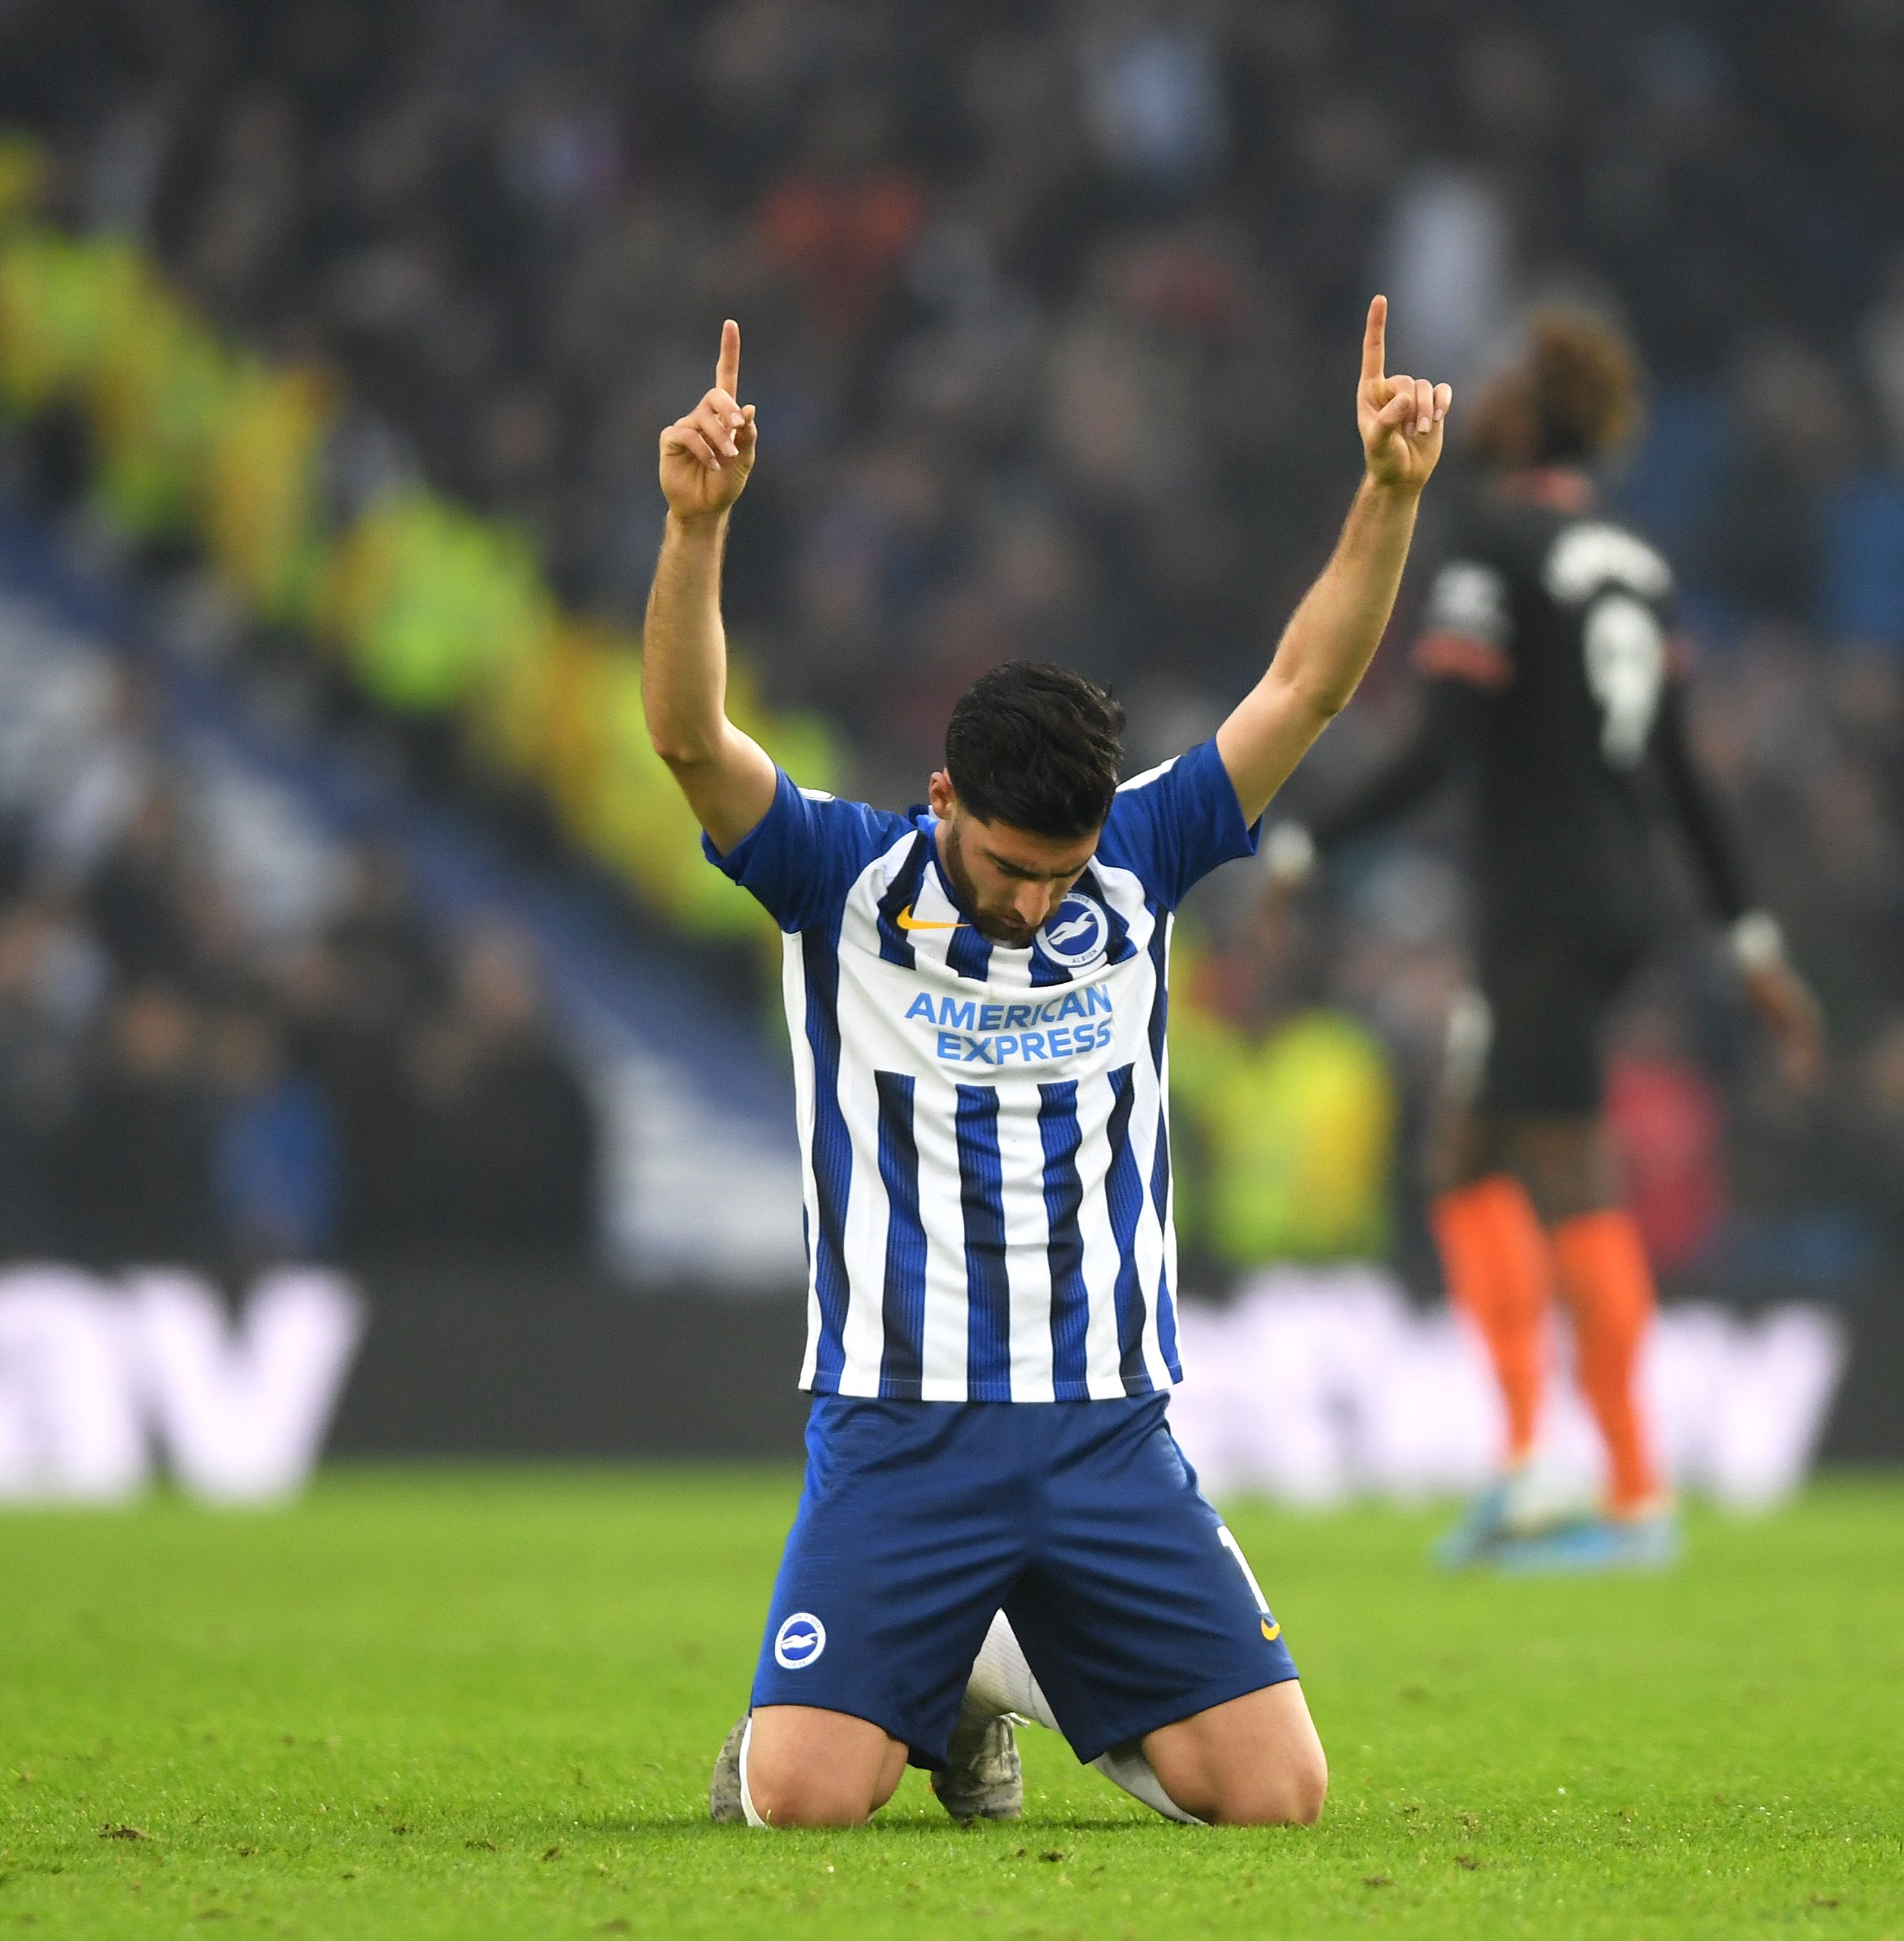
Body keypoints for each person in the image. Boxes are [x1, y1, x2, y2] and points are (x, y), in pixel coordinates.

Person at [645, 305, 1450, 1827]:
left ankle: (987, 1663)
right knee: (805, 1803)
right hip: (901, 1424)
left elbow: (1306, 690)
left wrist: (1389, 496)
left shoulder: (1136, 856)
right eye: (1013, 868)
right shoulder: (838, 879)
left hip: (1104, 1427)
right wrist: (696, 532)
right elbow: (690, 737)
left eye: (1061, 873)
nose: (1037, 900)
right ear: (944, 796)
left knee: (1277, 1798)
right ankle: (923, 1682)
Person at [1271, 308, 1824, 1573]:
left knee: (1564, 1165)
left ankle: (1633, 1490)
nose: (1490, 402)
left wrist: (1306, 840)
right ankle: (1527, 1465)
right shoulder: (1635, 560)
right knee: (1466, 1153)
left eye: (1508, 391)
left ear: (1535, 417)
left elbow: (1446, 738)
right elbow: (1683, 775)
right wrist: (1751, 945)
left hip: (1545, 897)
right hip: (1617, 890)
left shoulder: (1499, 542)